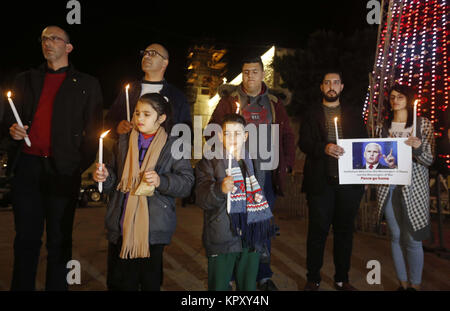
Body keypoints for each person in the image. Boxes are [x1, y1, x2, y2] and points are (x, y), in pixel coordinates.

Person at [6, 26, 103, 290]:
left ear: (68, 47)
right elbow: (8, 120)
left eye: (54, 38)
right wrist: (12, 131)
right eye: (44, 39)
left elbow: (94, 131)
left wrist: (75, 164)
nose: (47, 43)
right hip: (27, 166)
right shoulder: (25, 80)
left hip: (63, 171)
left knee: (59, 240)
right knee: (25, 238)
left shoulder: (86, 84)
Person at [209, 56, 295, 291]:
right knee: (233, 222)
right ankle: (230, 274)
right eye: (246, 72)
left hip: (265, 173)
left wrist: (286, 163)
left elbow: (287, 135)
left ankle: (262, 276)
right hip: (235, 170)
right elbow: (212, 130)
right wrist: (220, 157)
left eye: (254, 72)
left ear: (262, 74)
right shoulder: (229, 101)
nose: (250, 76)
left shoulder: (274, 103)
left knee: (261, 224)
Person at [94, 93, 194, 290]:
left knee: (149, 282)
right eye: (137, 113)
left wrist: (161, 181)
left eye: (147, 114)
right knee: (118, 282)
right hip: (120, 226)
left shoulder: (173, 147)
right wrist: (105, 177)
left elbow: (186, 183)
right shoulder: (123, 142)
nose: (139, 118)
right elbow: (114, 181)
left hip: (152, 228)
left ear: (161, 118)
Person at [299, 71, 366, 291]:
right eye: (327, 82)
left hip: (348, 184)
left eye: (335, 82)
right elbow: (304, 143)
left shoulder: (354, 114)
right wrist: (324, 147)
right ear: (321, 87)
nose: (331, 86)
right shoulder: (311, 114)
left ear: (342, 87)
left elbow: (363, 144)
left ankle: (341, 278)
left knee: (344, 232)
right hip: (320, 184)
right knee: (317, 232)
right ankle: (313, 277)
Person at [195, 113, 274, 291]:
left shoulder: (253, 161)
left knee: (247, 287)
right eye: (227, 133)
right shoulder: (209, 161)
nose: (232, 138)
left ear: (245, 136)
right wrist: (219, 189)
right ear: (220, 135)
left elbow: (260, 191)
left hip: (250, 236)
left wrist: (258, 197)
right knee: (219, 286)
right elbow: (201, 197)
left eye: (237, 133)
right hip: (222, 235)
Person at [376, 84, 435, 291]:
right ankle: (402, 284)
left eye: (400, 97)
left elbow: (429, 160)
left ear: (408, 99)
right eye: (392, 97)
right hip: (389, 186)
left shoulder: (423, 125)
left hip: (414, 188)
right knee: (395, 235)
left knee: (412, 238)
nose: (395, 101)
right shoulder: (383, 126)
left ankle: (415, 285)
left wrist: (418, 148)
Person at [105, 43, 191, 137]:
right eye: (145, 53)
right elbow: (108, 121)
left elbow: (185, 132)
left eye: (153, 53)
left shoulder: (176, 96)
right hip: (129, 150)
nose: (146, 56)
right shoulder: (130, 91)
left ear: (165, 62)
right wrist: (117, 127)